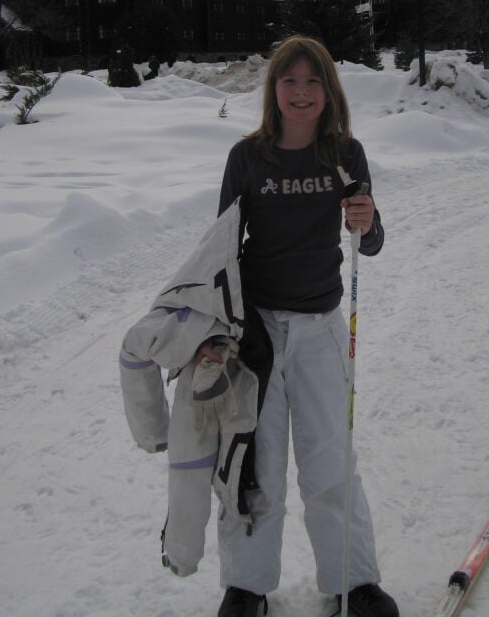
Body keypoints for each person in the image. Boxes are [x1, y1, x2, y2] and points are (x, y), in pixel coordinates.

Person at [199, 35, 399, 617]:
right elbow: (221, 249)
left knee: (330, 461)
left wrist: (367, 219)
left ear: (328, 90)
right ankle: (248, 585)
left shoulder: (344, 154)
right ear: (274, 90)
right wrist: (219, 330)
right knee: (256, 466)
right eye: (291, 81)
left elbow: (373, 241)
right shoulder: (248, 158)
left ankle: (352, 580)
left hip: (320, 328)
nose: (302, 92)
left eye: (313, 82)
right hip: (257, 334)